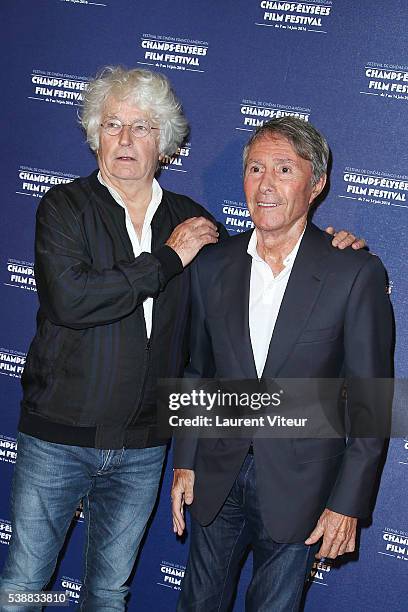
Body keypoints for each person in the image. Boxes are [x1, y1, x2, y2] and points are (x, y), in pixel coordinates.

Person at [0, 65, 362, 611]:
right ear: (94, 134)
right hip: (56, 440)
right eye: (113, 124)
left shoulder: (194, 222)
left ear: (164, 142)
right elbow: (70, 301)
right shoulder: (64, 208)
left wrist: (326, 244)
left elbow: (247, 283)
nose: (125, 139)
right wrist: (168, 258)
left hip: (144, 450)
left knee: (109, 591)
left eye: (141, 127)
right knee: (24, 583)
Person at [172, 117, 394, 611]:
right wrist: (185, 459)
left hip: (303, 483)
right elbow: (197, 370)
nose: (266, 184)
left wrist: (348, 504)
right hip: (217, 474)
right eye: (255, 168)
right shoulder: (212, 265)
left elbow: (371, 401)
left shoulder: (353, 272)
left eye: (284, 169)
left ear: (317, 185)